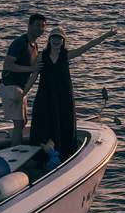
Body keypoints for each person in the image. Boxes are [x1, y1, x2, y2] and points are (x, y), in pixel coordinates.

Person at [29, 25, 117, 160]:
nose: (56, 41)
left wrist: (106, 35)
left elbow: (88, 46)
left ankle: (63, 153)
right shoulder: (42, 56)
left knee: (64, 121)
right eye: (54, 37)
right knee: (42, 120)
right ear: (49, 40)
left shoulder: (66, 55)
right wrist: (22, 93)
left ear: (63, 41)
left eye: (59, 38)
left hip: (64, 95)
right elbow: (34, 76)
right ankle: (41, 154)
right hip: (45, 94)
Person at [1, 13, 47, 146]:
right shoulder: (20, 43)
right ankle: (15, 152)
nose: (40, 29)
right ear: (29, 25)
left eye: (43, 26)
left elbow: (35, 69)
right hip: (10, 85)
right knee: (19, 122)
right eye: (38, 25)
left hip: (21, 87)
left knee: (24, 121)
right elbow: (7, 65)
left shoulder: (35, 46)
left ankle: (14, 144)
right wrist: (31, 69)